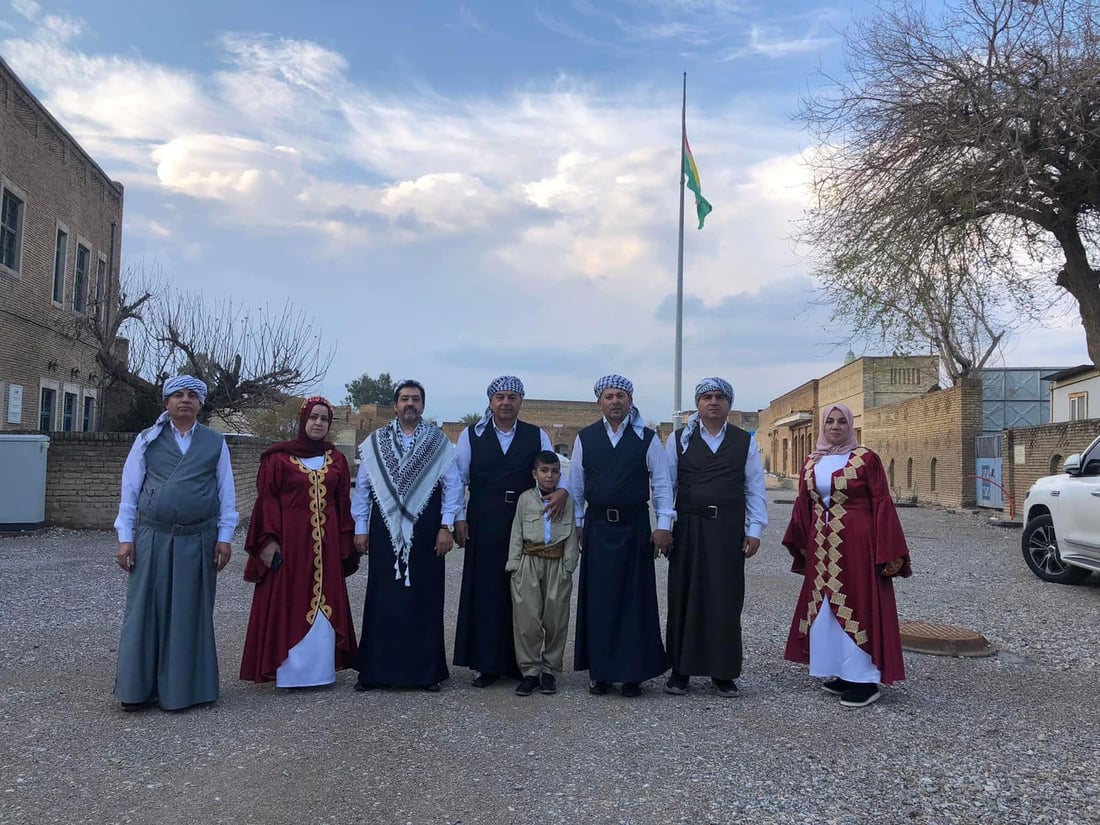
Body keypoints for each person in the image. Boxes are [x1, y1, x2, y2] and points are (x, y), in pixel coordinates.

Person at [113, 375, 238, 711]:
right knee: (144, 611)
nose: (185, 400)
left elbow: (226, 493)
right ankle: (138, 690)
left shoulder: (215, 442)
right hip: (152, 537)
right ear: (166, 402)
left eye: (192, 395)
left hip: (199, 538)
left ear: (200, 403)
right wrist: (126, 539)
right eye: (178, 395)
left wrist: (225, 537)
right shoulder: (147, 440)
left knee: (190, 611)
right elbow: (130, 493)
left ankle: (185, 691)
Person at [781, 402, 911, 708]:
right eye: (830, 422)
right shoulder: (812, 462)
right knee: (825, 605)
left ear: (850, 426)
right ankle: (841, 670)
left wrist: (887, 549)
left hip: (858, 545)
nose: (836, 427)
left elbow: (881, 503)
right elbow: (804, 505)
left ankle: (865, 678)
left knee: (860, 601)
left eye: (841, 422)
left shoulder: (865, 459)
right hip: (822, 547)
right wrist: (800, 543)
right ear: (823, 427)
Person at [453, 376, 568, 688]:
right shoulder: (472, 434)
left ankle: (523, 664)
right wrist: (458, 517)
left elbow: (555, 468)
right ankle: (487, 664)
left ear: (521, 402)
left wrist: (563, 492)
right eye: (500, 397)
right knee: (487, 591)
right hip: (484, 519)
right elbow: (457, 478)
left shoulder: (536, 435)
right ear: (490, 401)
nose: (506, 402)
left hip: (524, 522)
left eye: (512, 397)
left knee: (524, 594)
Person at [240, 396, 359, 687]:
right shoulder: (277, 458)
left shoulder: (337, 460)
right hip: (290, 543)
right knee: (289, 598)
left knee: (325, 598)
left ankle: (320, 672)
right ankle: (290, 671)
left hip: (326, 545)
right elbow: (266, 502)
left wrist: (346, 542)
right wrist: (268, 541)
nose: (318, 423)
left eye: (324, 419)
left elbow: (343, 503)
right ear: (303, 420)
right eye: (313, 417)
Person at [351, 380, 462, 692]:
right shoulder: (375, 442)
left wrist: (446, 526)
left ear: (423, 406)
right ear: (395, 405)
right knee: (382, 598)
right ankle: (374, 671)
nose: (410, 404)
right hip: (384, 529)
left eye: (415, 399)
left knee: (424, 598)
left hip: (427, 530)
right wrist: (360, 528)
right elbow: (363, 488)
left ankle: (425, 673)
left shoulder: (439, 443)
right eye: (404, 399)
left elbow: (452, 488)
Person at [569, 374, 673, 698]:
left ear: (630, 400)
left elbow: (662, 484)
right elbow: (575, 485)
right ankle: (600, 672)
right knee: (600, 599)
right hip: (599, 527)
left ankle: (632, 673)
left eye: (621, 396)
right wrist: (578, 523)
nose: (615, 401)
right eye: (609, 396)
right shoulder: (585, 438)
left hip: (635, 528)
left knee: (634, 601)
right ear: (599, 401)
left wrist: (663, 525)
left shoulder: (647, 438)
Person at [664, 377, 767, 698]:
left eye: (719, 397)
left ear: (728, 404)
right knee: (684, 596)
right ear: (697, 403)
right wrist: (665, 525)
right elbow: (666, 487)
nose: (713, 402)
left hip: (726, 529)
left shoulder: (743, 441)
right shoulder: (679, 439)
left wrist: (755, 529)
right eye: (706, 397)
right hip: (689, 529)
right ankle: (680, 670)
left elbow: (754, 487)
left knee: (724, 598)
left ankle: (722, 672)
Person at [505, 450, 580, 697]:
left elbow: (571, 534)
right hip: (529, 561)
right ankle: (530, 671)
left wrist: (569, 565)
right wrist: (514, 564)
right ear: (534, 474)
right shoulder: (525, 499)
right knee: (527, 620)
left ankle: (550, 670)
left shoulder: (566, 500)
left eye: (555, 471)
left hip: (557, 563)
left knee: (556, 619)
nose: (550, 476)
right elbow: (517, 531)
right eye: (544, 471)